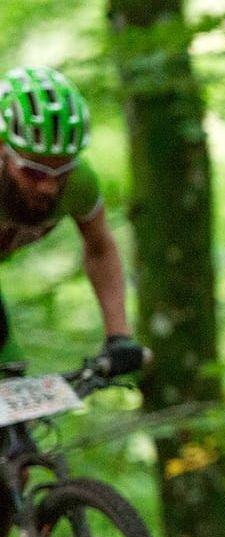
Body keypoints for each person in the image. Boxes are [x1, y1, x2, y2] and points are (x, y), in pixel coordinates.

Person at [0, 66, 144, 375]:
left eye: (62, 170)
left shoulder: (79, 184)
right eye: (34, 172)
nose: (49, 187)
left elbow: (100, 247)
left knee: (9, 376)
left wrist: (118, 336)